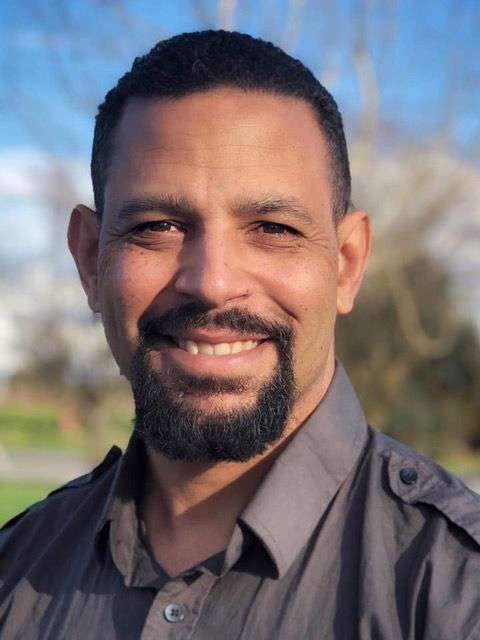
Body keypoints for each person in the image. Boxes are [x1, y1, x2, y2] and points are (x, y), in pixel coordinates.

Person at [0, 30, 479, 640]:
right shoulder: (16, 573)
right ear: (91, 261)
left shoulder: (455, 593)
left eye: (273, 228)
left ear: (347, 265)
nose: (213, 283)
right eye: (158, 225)